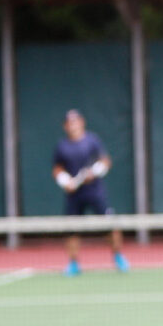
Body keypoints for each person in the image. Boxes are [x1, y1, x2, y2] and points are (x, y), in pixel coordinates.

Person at [51, 109, 129, 276]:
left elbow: (106, 161)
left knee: (109, 224)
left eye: (76, 121)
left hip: (95, 191)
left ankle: (118, 257)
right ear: (65, 126)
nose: (73, 125)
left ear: (82, 122)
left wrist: (94, 172)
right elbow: (57, 169)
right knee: (71, 228)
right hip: (74, 195)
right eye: (70, 122)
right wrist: (66, 181)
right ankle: (73, 264)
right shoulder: (62, 146)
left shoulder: (92, 141)